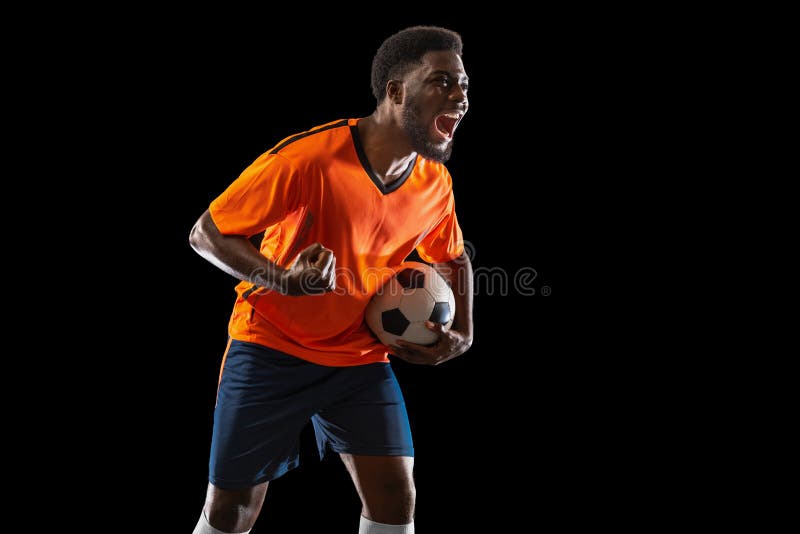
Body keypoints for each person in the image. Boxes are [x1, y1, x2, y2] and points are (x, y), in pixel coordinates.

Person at [189, 25, 473, 534]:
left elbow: (453, 259)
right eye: (443, 82)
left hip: (358, 355)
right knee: (232, 512)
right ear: (395, 91)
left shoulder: (435, 183)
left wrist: (465, 333)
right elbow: (206, 234)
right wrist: (284, 280)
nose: (460, 96)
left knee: (395, 499)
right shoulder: (309, 158)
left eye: (464, 85)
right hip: (271, 346)